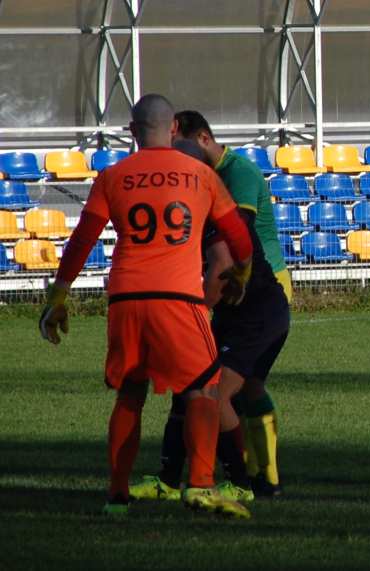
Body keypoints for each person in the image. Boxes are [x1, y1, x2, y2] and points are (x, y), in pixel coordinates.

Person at [38, 94, 255, 518]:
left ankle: (117, 495)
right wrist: (242, 274)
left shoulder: (113, 176)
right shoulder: (201, 175)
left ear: (133, 131)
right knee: (203, 388)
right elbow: (239, 239)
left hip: (125, 298)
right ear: (174, 127)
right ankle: (200, 486)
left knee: (130, 393)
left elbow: (82, 239)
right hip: (177, 298)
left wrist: (58, 298)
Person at [129, 112, 291, 503]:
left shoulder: (222, 187)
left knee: (215, 396)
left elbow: (223, 263)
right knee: (194, 389)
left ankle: (245, 482)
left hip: (256, 307)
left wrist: (192, 312)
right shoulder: (196, 188)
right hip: (238, 306)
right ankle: (170, 480)